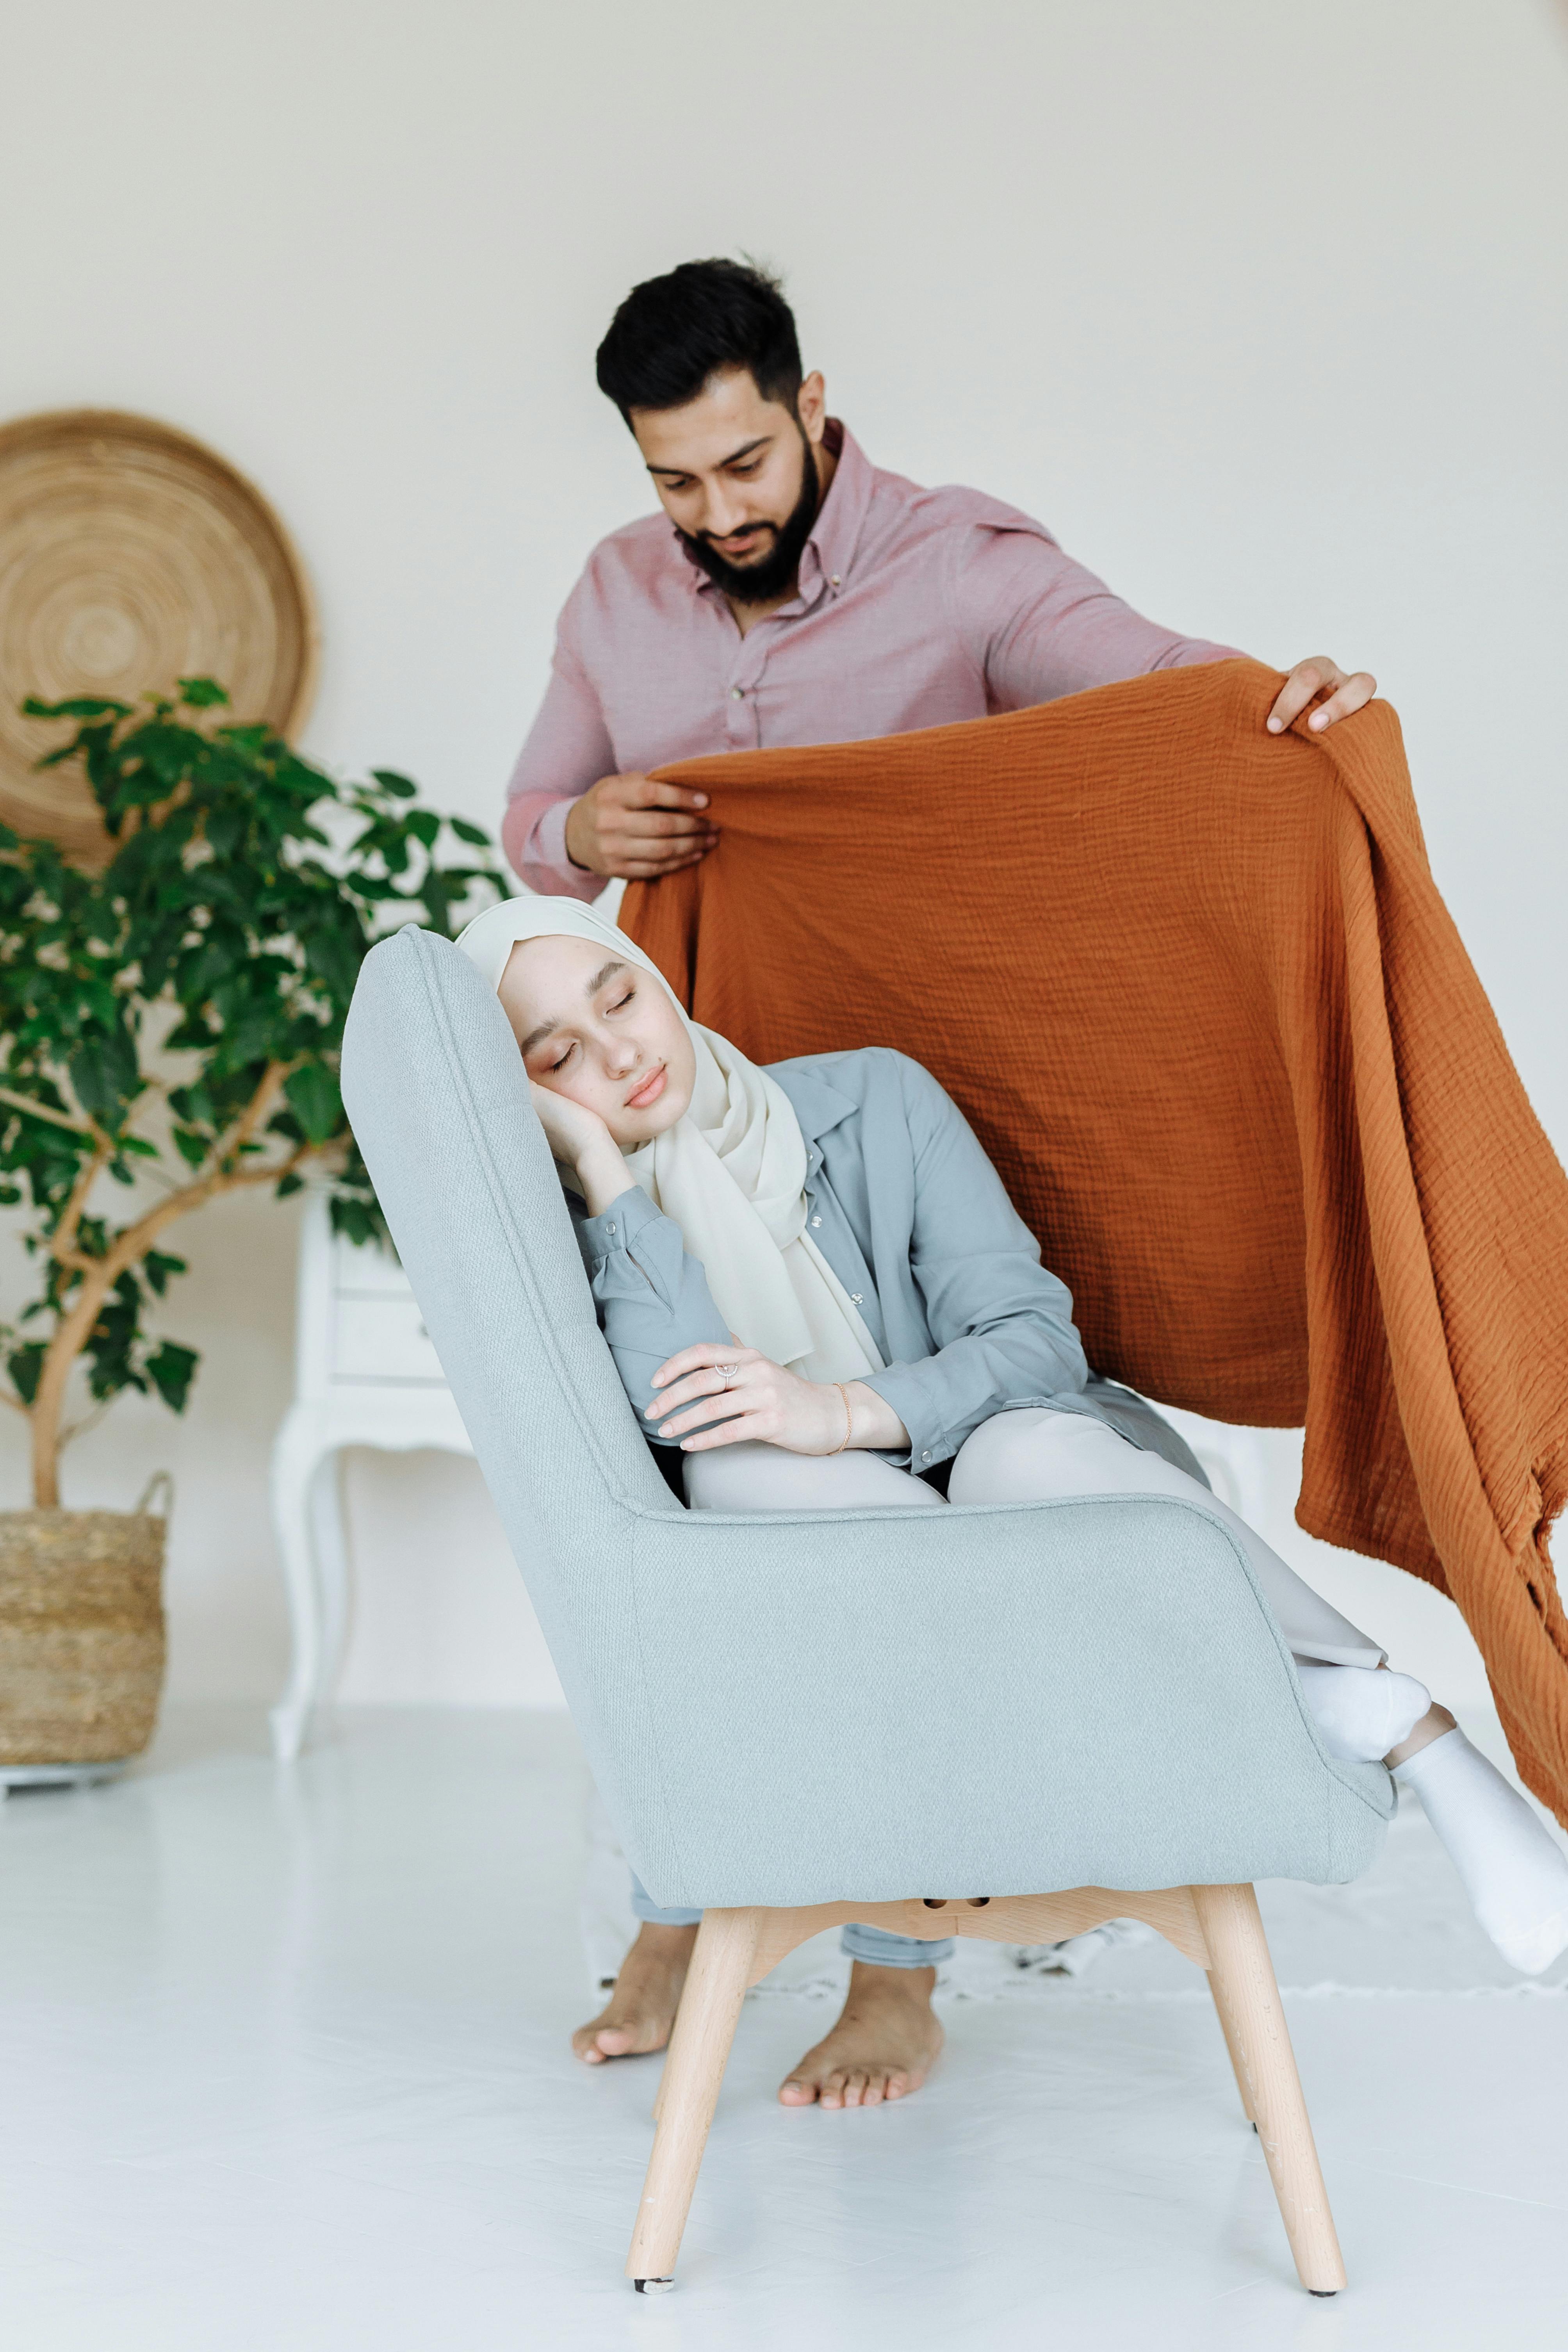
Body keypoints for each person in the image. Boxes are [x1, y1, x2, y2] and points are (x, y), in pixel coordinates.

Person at [456, 896, 1568, 2109]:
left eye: (616, 996)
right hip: (844, 1573)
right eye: (557, 1052)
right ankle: (1343, 1707)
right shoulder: (584, 1221)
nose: (617, 1052)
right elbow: (684, 1415)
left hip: (1053, 1499)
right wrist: (613, 1179)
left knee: (1013, 1456)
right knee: (739, 1470)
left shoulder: (874, 1100)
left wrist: (842, 1412)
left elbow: (1030, 1342)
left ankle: (1417, 1735)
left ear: (652, 980)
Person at [502, 257, 1378, 899]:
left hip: (928, 1058)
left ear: (808, 407)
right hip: (704, 1084)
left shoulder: (957, 564)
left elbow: (1159, 676)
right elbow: (533, 808)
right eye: (677, 483)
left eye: (745, 465)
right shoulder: (613, 588)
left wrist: (1280, 693)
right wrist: (578, 834)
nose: (721, 516)